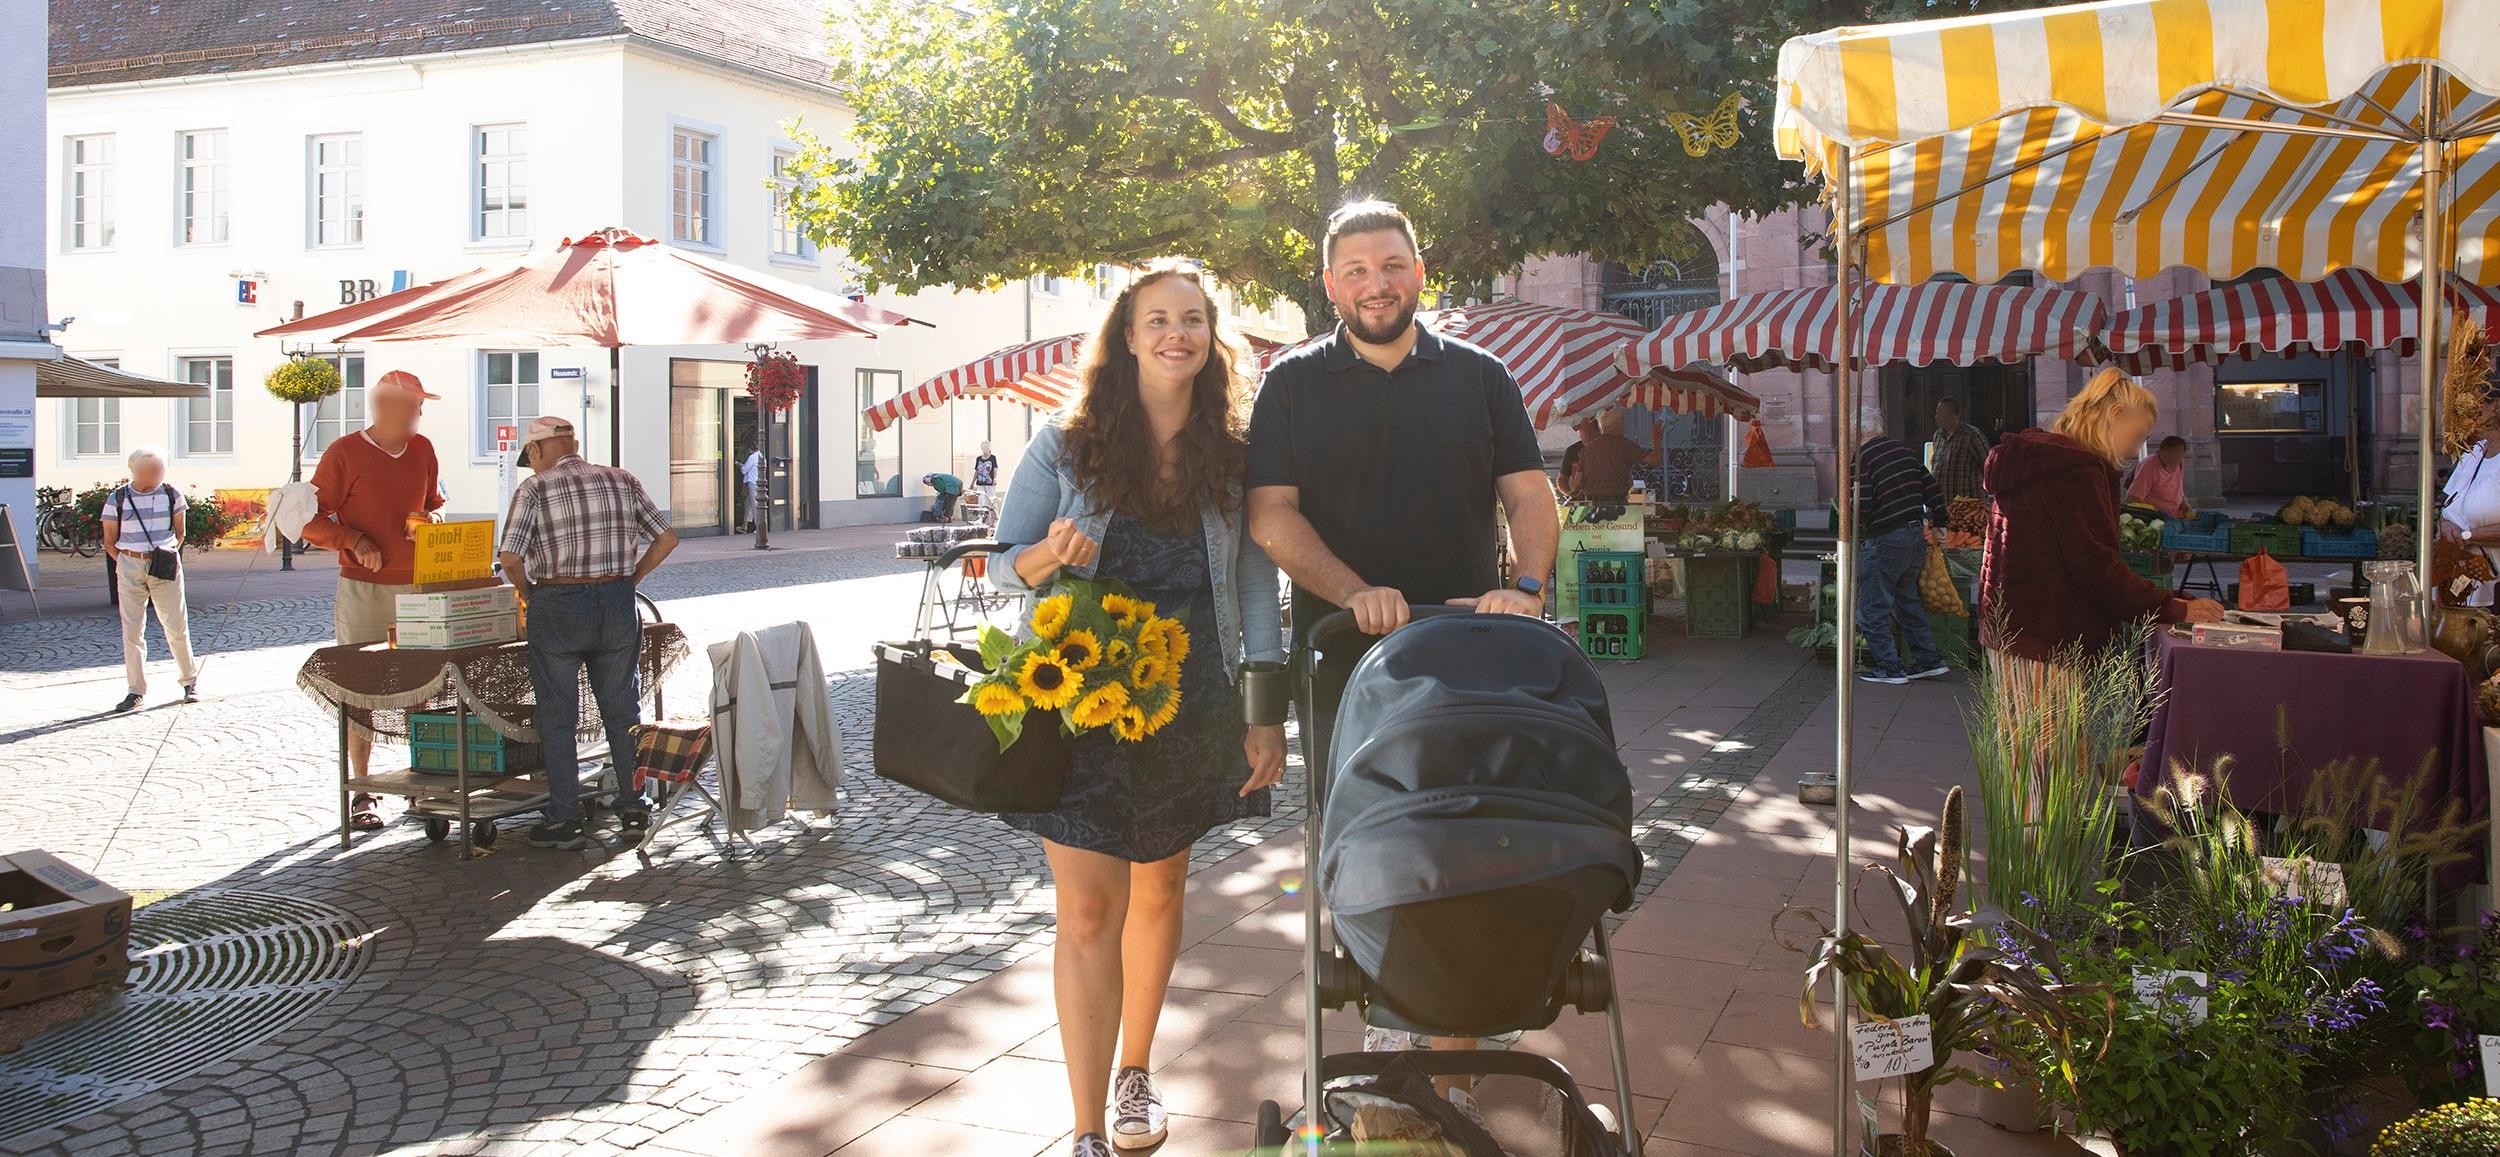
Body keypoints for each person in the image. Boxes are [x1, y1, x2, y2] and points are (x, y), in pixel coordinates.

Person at [1246, 199, 1558, 1116]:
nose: (1375, 284)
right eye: (1355, 270)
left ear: (1420, 272)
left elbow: (1531, 497)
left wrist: (1527, 587)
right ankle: (1388, 1060)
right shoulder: (1292, 384)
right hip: (1346, 662)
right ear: (1330, 282)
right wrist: (1351, 591)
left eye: (1391, 265)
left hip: (1466, 655)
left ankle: (1450, 1074)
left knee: (1469, 848)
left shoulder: (1481, 376)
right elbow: (1271, 513)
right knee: (1365, 855)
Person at [990, 266, 1287, 1157]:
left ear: (1210, 337)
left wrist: (1263, 708)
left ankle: (1135, 1069)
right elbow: (1001, 563)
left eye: (1192, 320)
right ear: (1127, 335)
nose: (1176, 334)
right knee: (1087, 909)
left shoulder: (1233, 454)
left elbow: (1252, 583)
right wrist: (1048, 552)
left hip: (1191, 698)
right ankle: (1085, 1126)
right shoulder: (1068, 443)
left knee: (1159, 886)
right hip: (1078, 695)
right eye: (1158, 319)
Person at [497, 416, 680, 850]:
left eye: (531, 458)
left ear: (540, 451)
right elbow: (667, 538)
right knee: (623, 711)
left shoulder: (535, 489)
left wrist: (529, 594)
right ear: (573, 444)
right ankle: (633, 806)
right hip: (617, 601)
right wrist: (630, 579)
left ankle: (565, 816)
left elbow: (509, 557)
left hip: (558, 604)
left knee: (558, 717)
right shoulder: (622, 479)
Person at [1979, 369, 2223, 676]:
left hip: (2016, 629)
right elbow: (2097, 570)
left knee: (2027, 725)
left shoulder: (2044, 459)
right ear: (2116, 415)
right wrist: (2174, 608)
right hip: (2046, 636)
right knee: (2048, 726)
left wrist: (2170, 601)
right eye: (2137, 437)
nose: (2136, 450)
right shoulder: (2077, 471)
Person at [301, 370, 446, 830]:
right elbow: (308, 520)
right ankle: (362, 791)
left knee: (425, 683)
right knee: (360, 686)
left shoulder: (423, 449)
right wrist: (353, 538)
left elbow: (434, 503)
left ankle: (424, 784)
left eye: (420, 405)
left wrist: (431, 520)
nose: (419, 413)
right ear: (383, 406)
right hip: (363, 588)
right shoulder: (344, 452)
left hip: (418, 586)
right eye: (412, 405)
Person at [1852, 406, 1950, 685]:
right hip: (1914, 535)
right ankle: (1928, 659)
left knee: (1871, 607)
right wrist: (1940, 521)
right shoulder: (1905, 451)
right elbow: (1931, 487)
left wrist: (1850, 512)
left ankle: (1890, 667)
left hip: (1885, 537)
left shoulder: (1862, 458)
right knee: (1907, 601)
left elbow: (1864, 504)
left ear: (1858, 430)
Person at [99, 445, 200, 712]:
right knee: (132, 631)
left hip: (164, 564)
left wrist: (165, 555)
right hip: (130, 564)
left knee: (176, 626)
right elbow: (109, 540)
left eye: (160, 470)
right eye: (151, 470)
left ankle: (190, 682)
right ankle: (136, 691)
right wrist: (125, 560)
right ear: (135, 471)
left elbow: (180, 534)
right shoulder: (117, 498)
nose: (157, 475)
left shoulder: (171, 493)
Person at [2438, 397, 2500, 606]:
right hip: (2460, 582)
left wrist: (2467, 536)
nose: (2475, 408)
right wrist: (2447, 526)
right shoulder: (2473, 454)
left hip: (2494, 584)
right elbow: (2446, 508)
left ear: (2497, 407)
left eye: (2483, 401)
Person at [1573, 408, 1665, 505]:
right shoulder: (1624, 445)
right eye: (1623, 424)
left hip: (1592, 506)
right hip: (1618, 504)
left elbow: (1578, 484)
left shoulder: (1587, 449)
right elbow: (1654, 461)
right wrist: (1656, 438)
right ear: (1619, 426)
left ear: (1602, 427)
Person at [1928, 397, 1990, 503]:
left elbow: (1988, 466)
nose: (1938, 417)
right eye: (1937, 413)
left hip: (1967, 505)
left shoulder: (1972, 436)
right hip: (1944, 503)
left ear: (1956, 415)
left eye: (1943, 413)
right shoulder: (1938, 436)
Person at [2125, 435, 2194, 519]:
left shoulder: (2180, 463)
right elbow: (2133, 498)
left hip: (2176, 518)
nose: (2174, 460)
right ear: (2160, 451)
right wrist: (2155, 516)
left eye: (2178, 457)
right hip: (2157, 520)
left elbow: (2177, 488)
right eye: (2170, 456)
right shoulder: (2149, 465)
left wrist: (2183, 502)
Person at [1557, 415, 1597, 497]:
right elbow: (1561, 480)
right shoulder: (1572, 451)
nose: (1582, 432)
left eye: (1590, 430)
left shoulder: (1605, 448)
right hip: (1581, 500)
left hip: (1602, 497)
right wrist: (1569, 493)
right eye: (1582, 429)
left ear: (1597, 430)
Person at [741, 447, 765, 532]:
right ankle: (745, 525)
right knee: (748, 504)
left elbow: (744, 470)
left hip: (752, 483)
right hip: (758, 482)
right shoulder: (761, 456)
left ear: (751, 449)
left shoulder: (752, 457)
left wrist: (740, 465)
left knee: (755, 505)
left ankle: (759, 527)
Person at [973, 441, 1000, 507]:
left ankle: (995, 516)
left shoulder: (993, 458)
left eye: (987, 448)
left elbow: (995, 469)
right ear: (982, 449)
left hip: (990, 483)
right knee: (981, 501)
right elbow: (976, 471)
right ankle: (982, 516)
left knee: (991, 500)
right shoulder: (978, 459)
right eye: (984, 448)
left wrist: (995, 479)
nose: (985, 449)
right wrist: (972, 483)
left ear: (989, 448)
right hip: (980, 483)